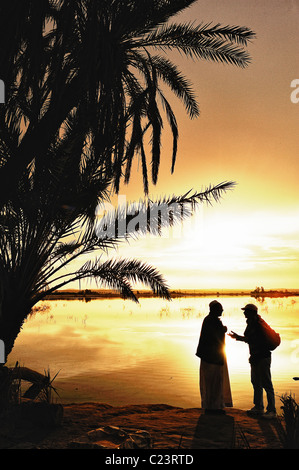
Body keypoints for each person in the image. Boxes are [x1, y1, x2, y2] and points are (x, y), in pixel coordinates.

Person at [229, 303, 276, 419]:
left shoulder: (258, 325)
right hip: (255, 357)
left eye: (246, 311)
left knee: (267, 384)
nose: (244, 313)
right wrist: (239, 338)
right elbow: (251, 340)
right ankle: (259, 407)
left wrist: (240, 338)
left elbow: (256, 340)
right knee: (256, 382)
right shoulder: (251, 323)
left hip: (263, 357)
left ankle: (272, 411)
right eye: (244, 311)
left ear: (253, 312)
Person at [195, 300, 233, 414]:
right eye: (220, 308)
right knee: (213, 384)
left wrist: (222, 330)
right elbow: (214, 338)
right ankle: (213, 408)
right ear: (214, 310)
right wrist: (223, 330)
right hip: (212, 358)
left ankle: (214, 406)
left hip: (211, 357)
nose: (222, 310)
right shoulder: (211, 321)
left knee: (214, 383)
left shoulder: (210, 320)